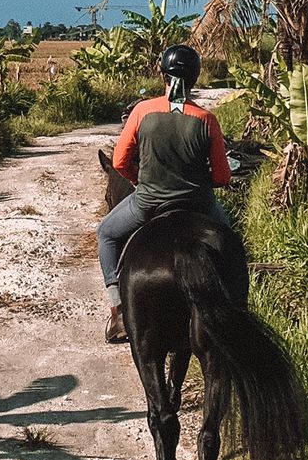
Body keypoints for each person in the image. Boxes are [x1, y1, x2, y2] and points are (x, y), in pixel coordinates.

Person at [96, 43, 234, 343]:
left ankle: (118, 309)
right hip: (199, 204)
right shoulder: (207, 119)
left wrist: (139, 181)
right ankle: (233, 308)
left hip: (148, 203)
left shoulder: (142, 110)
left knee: (106, 233)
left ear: (162, 75)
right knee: (232, 243)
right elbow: (223, 177)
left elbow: (119, 162)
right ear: (195, 78)